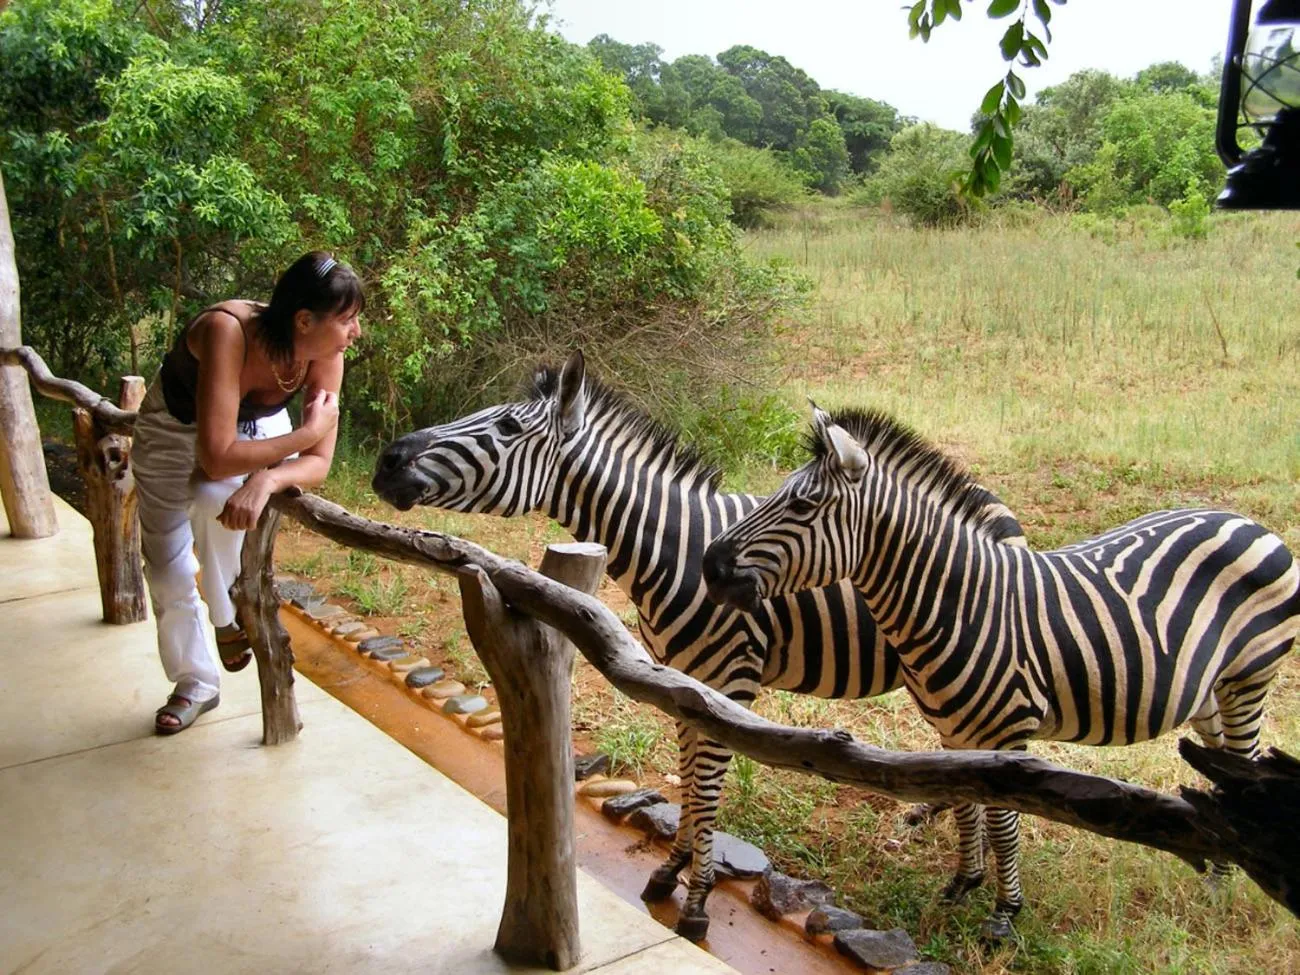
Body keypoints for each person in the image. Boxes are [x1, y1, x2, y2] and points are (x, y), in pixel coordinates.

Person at [132, 251, 363, 734]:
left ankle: (226, 610)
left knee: (219, 500)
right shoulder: (228, 331)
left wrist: (268, 479)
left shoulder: (328, 354)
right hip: (175, 427)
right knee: (166, 560)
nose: (355, 333)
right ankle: (197, 677)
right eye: (346, 321)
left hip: (259, 427)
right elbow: (216, 453)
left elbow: (320, 464)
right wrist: (302, 437)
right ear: (304, 320)